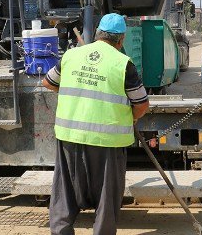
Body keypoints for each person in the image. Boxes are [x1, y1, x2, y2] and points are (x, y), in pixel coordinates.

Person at [43, 13, 149, 235]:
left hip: (69, 137)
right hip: (107, 141)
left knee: (65, 192)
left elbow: (48, 83)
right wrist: (132, 118)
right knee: (106, 197)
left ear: (98, 34)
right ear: (121, 40)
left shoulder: (72, 55)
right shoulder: (122, 63)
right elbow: (141, 104)